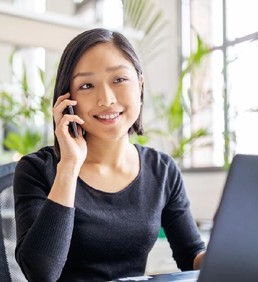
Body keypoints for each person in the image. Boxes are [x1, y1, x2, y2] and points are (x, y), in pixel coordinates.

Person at [13, 28, 206, 281]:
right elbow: (41, 274)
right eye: (87, 85)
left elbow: (191, 254)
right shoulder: (37, 170)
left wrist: (233, 253)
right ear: (67, 99)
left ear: (140, 83)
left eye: (119, 80)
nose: (106, 99)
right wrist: (69, 165)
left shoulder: (162, 170)